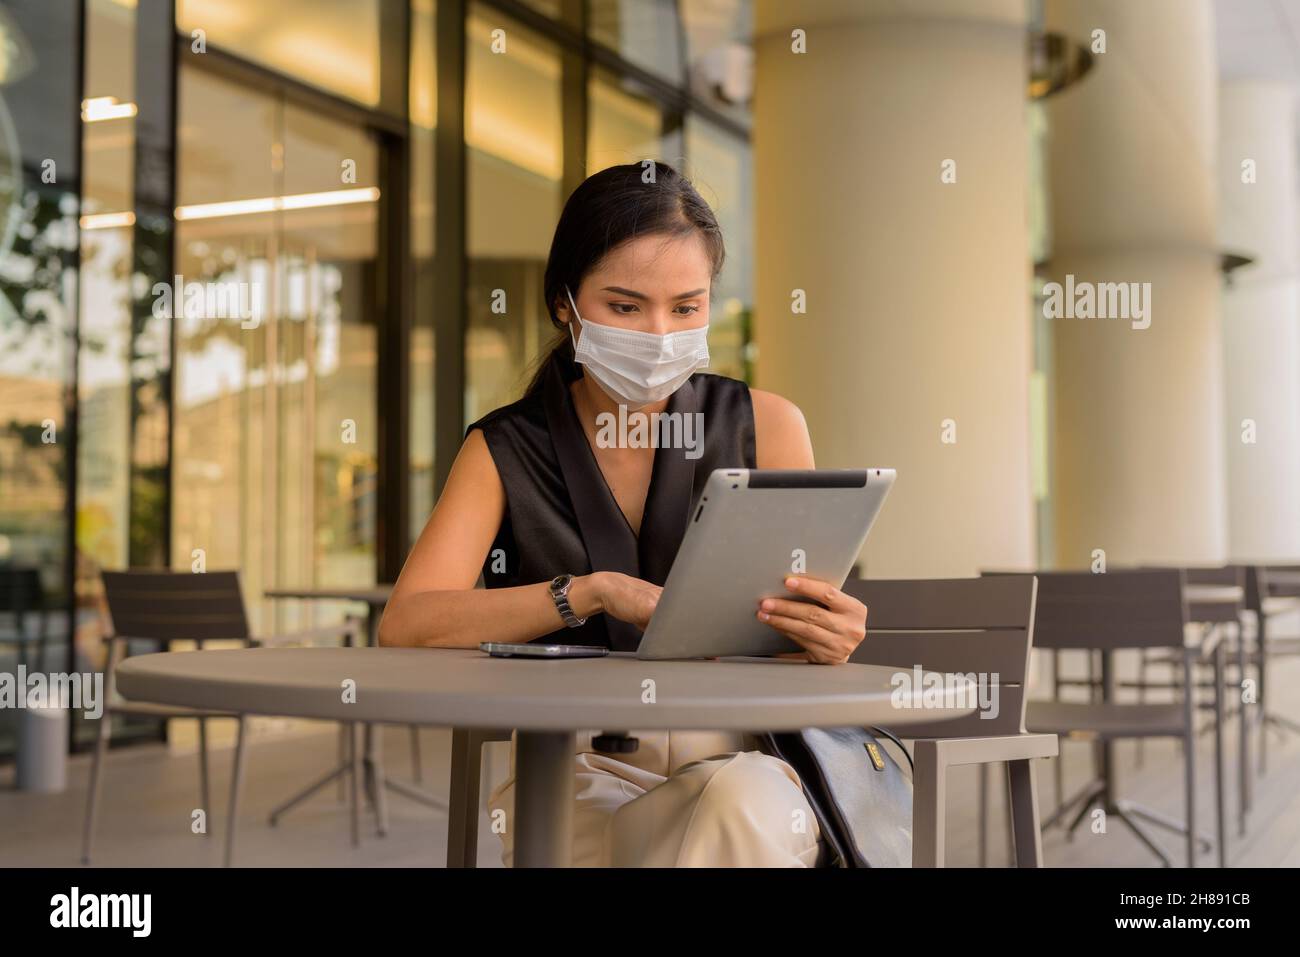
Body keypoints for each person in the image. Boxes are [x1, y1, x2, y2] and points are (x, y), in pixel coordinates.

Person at [379, 161, 870, 867]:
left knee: (743, 805)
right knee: (712, 831)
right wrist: (589, 591)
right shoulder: (505, 449)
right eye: (625, 305)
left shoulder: (768, 426)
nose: (660, 334)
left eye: (686, 307)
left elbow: (797, 637)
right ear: (564, 304)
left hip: (747, 753)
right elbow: (409, 623)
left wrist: (831, 634)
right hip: (571, 764)